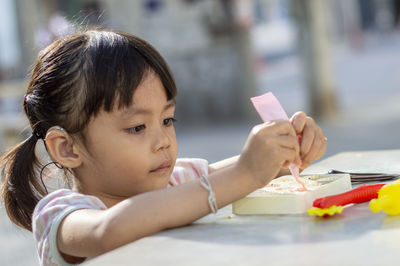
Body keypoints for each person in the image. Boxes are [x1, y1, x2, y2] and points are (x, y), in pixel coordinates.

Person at [0, 29, 326, 265]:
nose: (163, 142)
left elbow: (234, 170)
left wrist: (283, 153)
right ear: (68, 149)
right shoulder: (61, 214)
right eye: (137, 127)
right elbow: (108, 231)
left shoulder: (175, 181)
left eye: (168, 120)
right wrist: (245, 174)